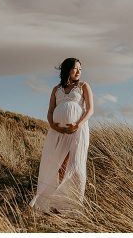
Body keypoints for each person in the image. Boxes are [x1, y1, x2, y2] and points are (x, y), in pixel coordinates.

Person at [31, 58, 94, 212]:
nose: (78, 71)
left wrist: (78, 124)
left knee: (75, 165)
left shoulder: (83, 86)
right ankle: (54, 204)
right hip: (57, 132)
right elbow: (50, 111)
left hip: (77, 131)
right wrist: (53, 125)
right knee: (58, 165)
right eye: (75, 68)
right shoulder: (56, 89)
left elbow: (90, 109)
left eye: (80, 69)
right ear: (67, 69)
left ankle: (71, 206)